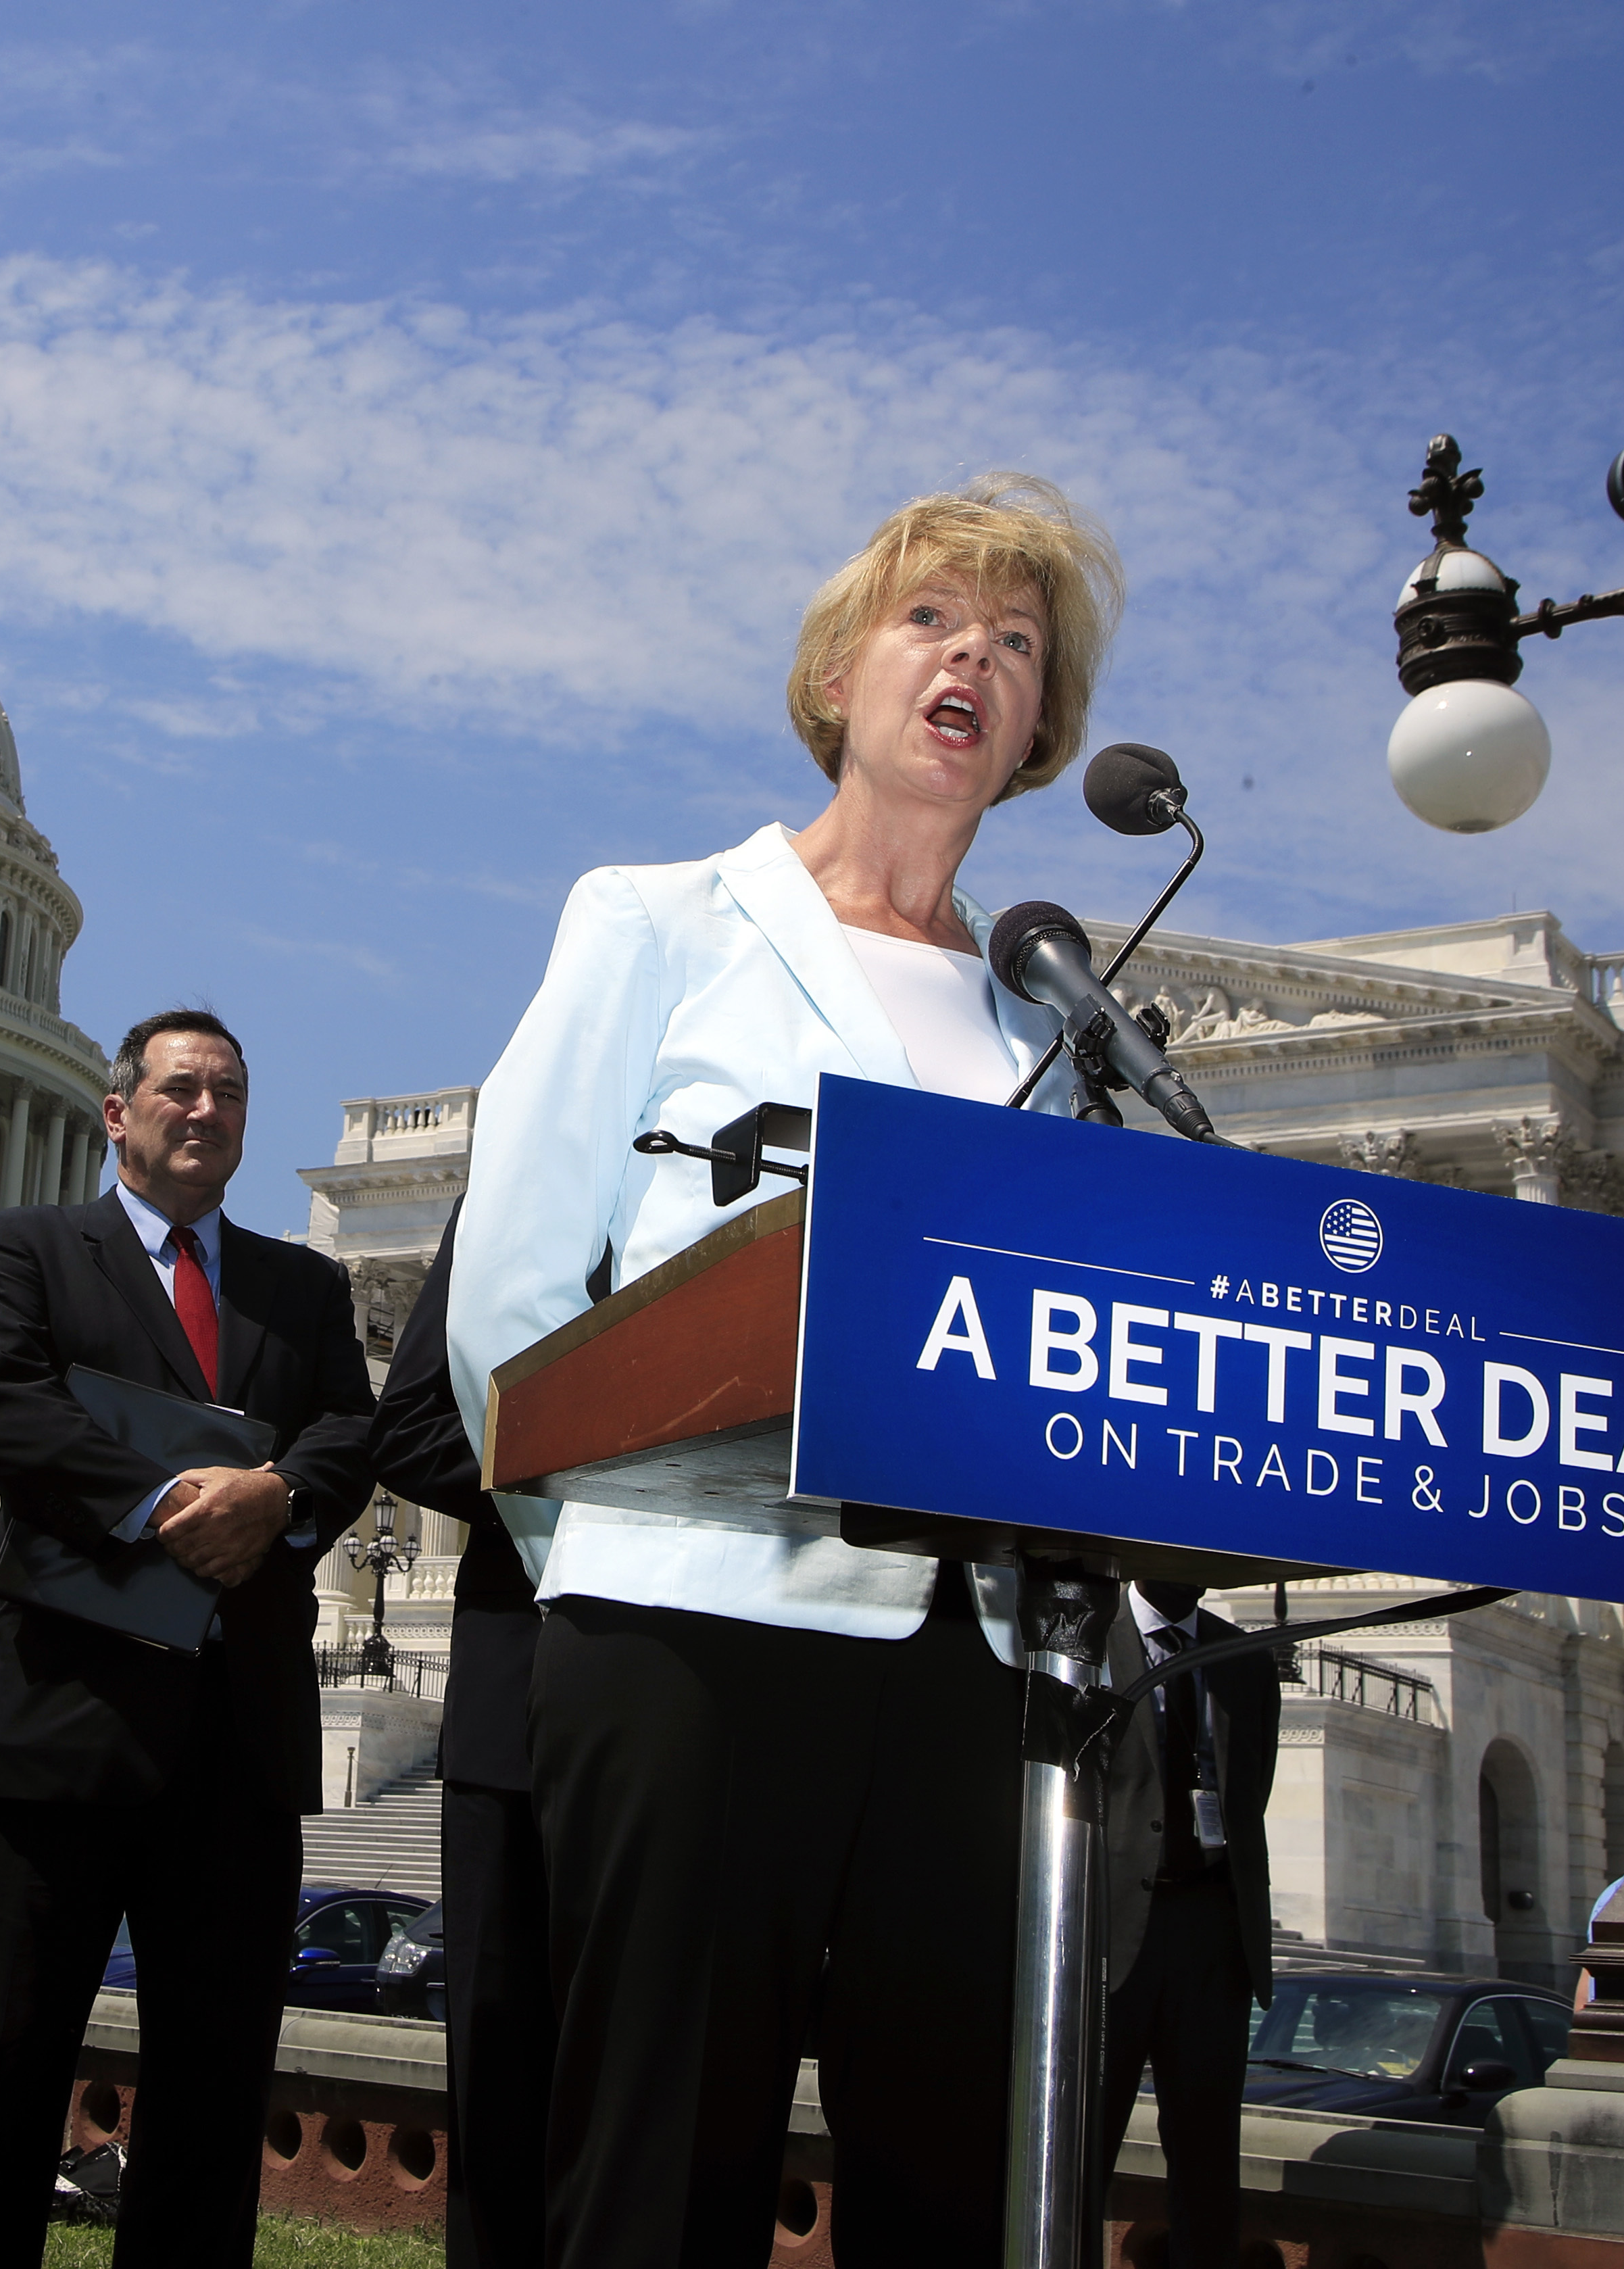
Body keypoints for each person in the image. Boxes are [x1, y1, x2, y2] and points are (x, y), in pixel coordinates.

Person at [446, 476, 1123, 2266]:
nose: (973, 655)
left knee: (950, 2186)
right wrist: (597, 1554)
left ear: (1040, 727)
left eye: (1018, 641)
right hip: (688, 1632)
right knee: (662, 2173)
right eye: (930, 620)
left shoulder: (1052, 1029)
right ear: (835, 673)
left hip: (974, 1671)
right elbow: (513, 1292)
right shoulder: (656, 922)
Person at [0, 1009, 378, 2268]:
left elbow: (346, 1430)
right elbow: (3, 1402)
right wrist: (174, 1504)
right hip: (60, 1726)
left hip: (236, 1736)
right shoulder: (29, 1251)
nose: (204, 1109)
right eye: (178, 1088)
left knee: (213, 2087)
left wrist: (275, 1498)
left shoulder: (302, 1284)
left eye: (227, 1088)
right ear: (119, 1111)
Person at [368, 1208, 549, 2269]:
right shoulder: (515, 1182)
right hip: (521, 1693)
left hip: (724, 1700)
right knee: (504, 2067)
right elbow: (414, 1428)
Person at [1094, 1579, 1281, 2269]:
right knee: (1081, 2143)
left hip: (1210, 1933)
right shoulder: (1082, 1635)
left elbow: (1246, 1796)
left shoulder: (1243, 1658)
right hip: (1109, 1933)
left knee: (1205, 2156)